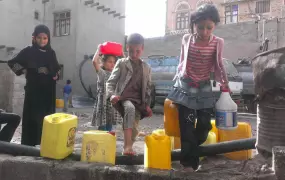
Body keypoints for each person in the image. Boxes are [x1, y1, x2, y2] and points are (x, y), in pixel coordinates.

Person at [167, 4, 230, 172]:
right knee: (186, 125)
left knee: (204, 125)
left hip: (204, 87)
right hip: (186, 85)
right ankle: (188, 164)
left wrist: (225, 82)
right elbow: (182, 62)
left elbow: (219, 64)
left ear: (214, 25)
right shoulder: (187, 39)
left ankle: (190, 149)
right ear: (194, 24)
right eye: (200, 27)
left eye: (209, 28)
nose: (204, 32)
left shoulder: (218, 42)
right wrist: (175, 87)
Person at [8, 24, 60, 146]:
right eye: (39, 38)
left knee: (46, 119)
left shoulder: (51, 53)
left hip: (48, 93)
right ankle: (29, 146)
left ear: (48, 39)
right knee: (33, 119)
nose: (42, 41)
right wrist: (24, 70)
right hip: (33, 92)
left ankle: (45, 145)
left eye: (45, 38)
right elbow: (12, 62)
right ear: (34, 38)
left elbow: (57, 69)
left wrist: (56, 75)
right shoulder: (28, 51)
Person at [106, 33, 152, 155]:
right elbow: (110, 82)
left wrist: (147, 105)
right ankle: (127, 147)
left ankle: (128, 149)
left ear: (142, 49)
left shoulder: (146, 67)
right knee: (130, 110)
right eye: (131, 51)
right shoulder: (121, 63)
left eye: (137, 51)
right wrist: (111, 95)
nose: (134, 54)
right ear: (127, 48)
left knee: (135, 128)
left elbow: (148, 88)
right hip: (124, 98)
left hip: (139, 101)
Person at [91, 45, 122, 131]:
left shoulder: (116, 74)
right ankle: (101, 142)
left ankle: (107, 142)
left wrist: (122, 53)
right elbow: (94, 61)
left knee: (110, 128)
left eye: (114, 62)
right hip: (103, 104)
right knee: (103, 129)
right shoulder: (102, 73)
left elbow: (126, 65)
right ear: (103, 63)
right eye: (110, 61)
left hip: (112, 105)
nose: (112, 64)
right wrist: (98, 50)